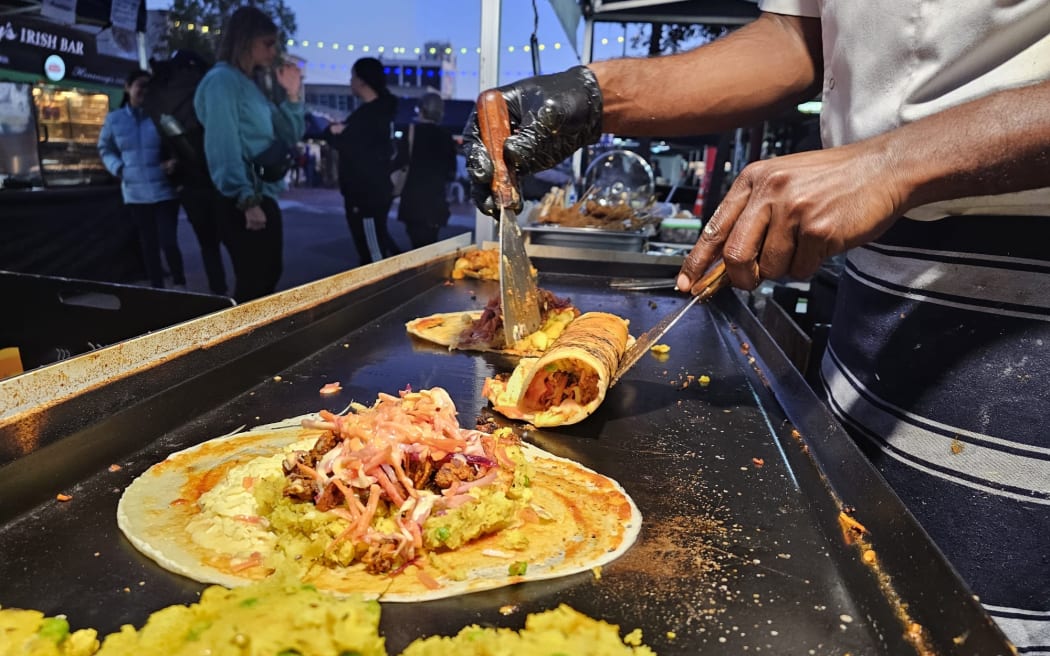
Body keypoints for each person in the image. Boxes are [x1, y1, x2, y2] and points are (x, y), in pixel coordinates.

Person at [466, 3, 1050, 650]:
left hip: (1026, 312)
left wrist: (893, 162)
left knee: (979, 628)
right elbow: (799, 38)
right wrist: (590, 96)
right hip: (871, 293)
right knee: (869, 600)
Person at [193, 6, 304, 303]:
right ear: (245, 41)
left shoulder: (247, 83)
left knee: (265, 278)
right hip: (244, 199)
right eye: (267, 43)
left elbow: (289, 134)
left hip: (260, 193)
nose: (273, 51)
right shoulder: (222, 81)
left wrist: (292, 94)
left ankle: (254, 344)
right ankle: (247, 346)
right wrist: (245, 200)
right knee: (255, 283)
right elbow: (222, 145)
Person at [98, 69, 185, 290]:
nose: (144, 90)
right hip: (135, 193)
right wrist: (119, 168)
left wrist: (175, 161)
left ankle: (179, 284)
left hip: (165, 191)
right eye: (140, 85)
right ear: (128, 88)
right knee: (149, 245)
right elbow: (105, 148)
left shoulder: (161, 115)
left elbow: (179, 144)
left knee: (169, 242)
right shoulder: (114, 119)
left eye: (149, 86)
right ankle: (157, 288)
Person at [324, 57, 403, 265]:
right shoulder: (382, 112)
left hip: (365, 195)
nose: (350, 82)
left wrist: (334, 132)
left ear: (361, 80)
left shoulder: (368, 117)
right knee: (376, 240)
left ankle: (381, 291)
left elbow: (347, 144)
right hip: (373, 192)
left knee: (372, 251)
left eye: (352, 77)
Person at [396, 92, 457, 249]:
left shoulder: (411, 132)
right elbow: (451, 171)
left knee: (415, 243)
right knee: (430, 244)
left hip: (413, 199)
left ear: (421, 109)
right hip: (435, 200)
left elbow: (400, 162)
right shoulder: (446, 136)